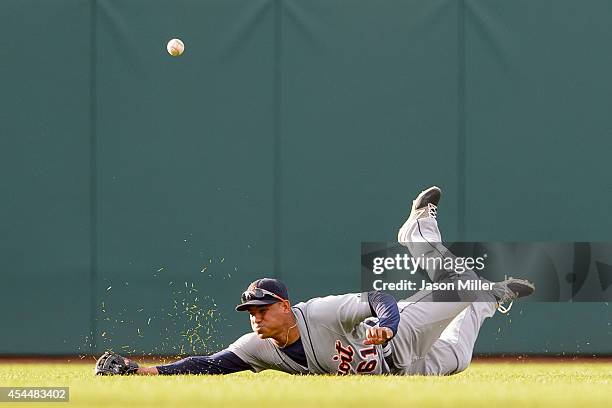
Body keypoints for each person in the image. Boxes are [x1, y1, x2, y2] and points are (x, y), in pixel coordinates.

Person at [95, 186, 534, 376]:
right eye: (251, 312)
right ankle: (488, 299)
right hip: (406, 372)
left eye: (262, 308)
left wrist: (389, 324)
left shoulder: (319, 312)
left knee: (458, 282)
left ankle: (416, 234)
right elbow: (210, 364)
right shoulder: (258, 348)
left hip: (397, 343)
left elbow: (379, 296)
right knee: (460, 354)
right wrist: (142, 370)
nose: (255, 318)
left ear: (285, 305)